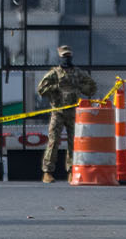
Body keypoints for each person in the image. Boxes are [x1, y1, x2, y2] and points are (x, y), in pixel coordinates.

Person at [36, 44, 97, 183]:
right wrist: (56, 87)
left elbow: (92, 87)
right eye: (64, 56)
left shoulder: (78, 73)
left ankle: (72, 171)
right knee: (53, 141)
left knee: (74, 143)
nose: (67, 58)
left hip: (74, 113)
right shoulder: (54, 73)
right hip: (58, 112)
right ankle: (47, 172)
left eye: (69, 56)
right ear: (60, 57)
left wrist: (80, 88)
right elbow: (41, 89)